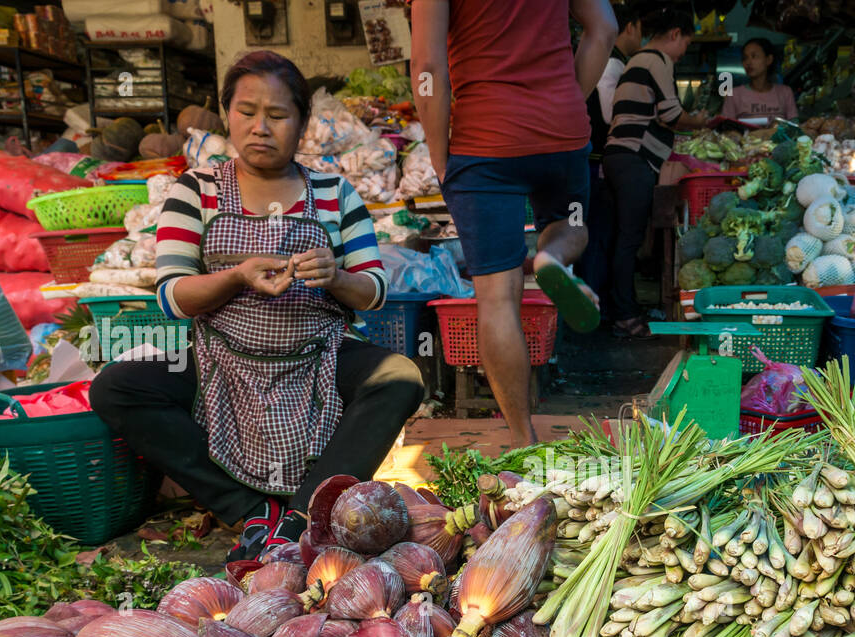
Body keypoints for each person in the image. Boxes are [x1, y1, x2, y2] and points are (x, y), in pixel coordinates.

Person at [90, 51, 424, 563]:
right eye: (247, 112)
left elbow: (375, 291)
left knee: (399, 377)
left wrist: (335, 277)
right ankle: (249, 510)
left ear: (302, 123)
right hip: (220, 360)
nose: (260, 128)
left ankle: (304, 517)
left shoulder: (336, 193)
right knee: (118, 386)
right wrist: (236, 276)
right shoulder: (195, 190)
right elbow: (173, 296)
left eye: (278, 114)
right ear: (227, 116)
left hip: (319, 356)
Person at [410, 0, 618, 448]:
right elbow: (604, 29)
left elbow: (427, 67)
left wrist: (438, 153)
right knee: (570, 224)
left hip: (484, 142)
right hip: (561, 135)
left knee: (498, 300)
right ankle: (552, 256)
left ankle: (525, 439)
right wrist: (563, 100)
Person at [603, 6, 710, 339]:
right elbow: (672, 113)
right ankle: (624, 316)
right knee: (628, 239)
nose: (682, 55)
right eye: (685, 46)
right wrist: (701, 120)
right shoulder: (656, 60)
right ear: (675, 35)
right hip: (632, 159)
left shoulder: (640, 61)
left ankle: (622, 308)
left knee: (623, 238)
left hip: (621, 158)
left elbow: (660, 117)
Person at [578, 4, 644, 315]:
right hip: (594, 162)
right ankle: (596, 308)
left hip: (590, 160)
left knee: (595, 234)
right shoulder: (611, 64)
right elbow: (609, 114)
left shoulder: (608, 60)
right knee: (598, 234)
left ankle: (593, 304)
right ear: (629, 27)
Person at [721, 37, 798, 124]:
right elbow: (726, 129)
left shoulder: (785, 92)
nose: (748, 62)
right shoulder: (734, 95)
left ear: (769, 60)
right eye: (745, 58)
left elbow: (795, 127)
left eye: (754, 56)